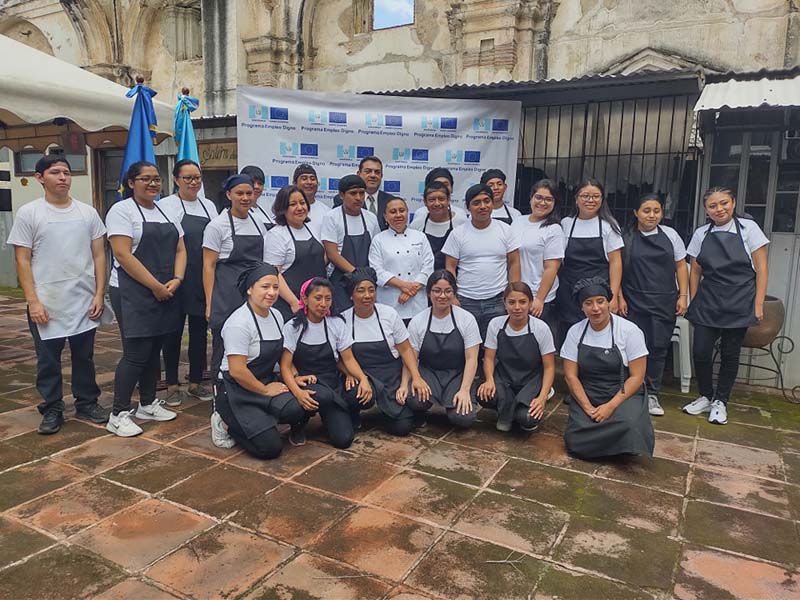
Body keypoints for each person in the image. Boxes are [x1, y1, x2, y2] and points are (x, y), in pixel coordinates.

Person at [7, 156, 109, 434]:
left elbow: (99, 255)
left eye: (66, 172)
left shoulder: (87, 213)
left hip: (83, 298)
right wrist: (33, 301)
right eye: (55, 172)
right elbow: (22, 259)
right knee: (48, 360)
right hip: (46, 301)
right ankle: (52, 407)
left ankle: (87, 402)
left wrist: (99, 293)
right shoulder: (29, 213)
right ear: (40, 178)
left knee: (84, 357)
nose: (63, 177)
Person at [106, 161, 186, 436]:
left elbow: (180, 248)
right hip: (132, 290)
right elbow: (122, 254)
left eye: (156, 179)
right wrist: (155, 286)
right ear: (131, 183)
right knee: (136, 353)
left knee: (155, 349)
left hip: (166, 288)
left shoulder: (167, 211)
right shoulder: (121, 211)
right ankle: (118, 413)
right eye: (145, 179)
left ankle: (148, 403)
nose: (153, 184)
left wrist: (177, 279)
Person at [682, 187, 769, 425]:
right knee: (700, 351)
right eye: (713, 206)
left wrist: (758, 303)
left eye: (724, 203)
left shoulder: (749, 229)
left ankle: (721, 401)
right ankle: (705, 395)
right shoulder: (701, 233)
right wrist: (693, 299)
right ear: (706, 210)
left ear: (733, 203)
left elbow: (762, 268)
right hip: (709, 299)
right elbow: (695, 269)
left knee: (730, 353)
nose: (719, 209)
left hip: (739, 299)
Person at [204, 174, 293, 384]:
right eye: (239, 193)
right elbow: (208, 266)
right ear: (229, 195)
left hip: (254, 291)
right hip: (226, 294)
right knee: (222, 348)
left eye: (249, 193)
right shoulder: (217, 226)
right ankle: (220, 394)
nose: (245, 198)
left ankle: (252, 388)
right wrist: (210, 302)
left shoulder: (258, 223)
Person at [212, 263, 307, 457]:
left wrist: (294, 375)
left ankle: (260, 419)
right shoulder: (238, 323)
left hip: (264, 380)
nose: (271, 292)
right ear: (249, 289)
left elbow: (280, 355)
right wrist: (265, 390)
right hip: (235, 389)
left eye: (275, 287)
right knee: (270, 448)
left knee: (298, 408)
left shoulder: (276, 315)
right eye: (265, 287)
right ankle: (224, 423)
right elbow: (237, 371)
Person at [561, 277, 654, 459]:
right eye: (588, 303)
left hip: (622, 392)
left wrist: (610, 407)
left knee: (629, 425)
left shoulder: (629, 331)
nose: (595, 308)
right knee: (575, 438)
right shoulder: (575, 332)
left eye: (600, 301)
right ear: (581, 307)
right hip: (589, 391)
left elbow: (637, 377)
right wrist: (588, 407)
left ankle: (616, 444)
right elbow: (570, 376)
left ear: (609, 302)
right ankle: (613, 445)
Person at [617, 193, 689, 417]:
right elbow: (617, 269)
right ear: (636, 213)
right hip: (633, 301)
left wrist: (683, 295)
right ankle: (629, 392)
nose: (652, 215)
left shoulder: (671, 235)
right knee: (631, 348)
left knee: (658, 349)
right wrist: (619, 296)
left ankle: (652, 394)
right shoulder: (626, 237)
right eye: (646, 211)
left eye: (656, 211)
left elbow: (681, 266)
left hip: (664, 301)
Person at [280, 278, 374, 448]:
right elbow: (285, 366)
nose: (323, 304)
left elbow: (348, 358)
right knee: (322, 396)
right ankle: (298, 424)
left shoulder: (336, 324)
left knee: (343, 439)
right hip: (306, 382)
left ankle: (339, 414)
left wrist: (363, 379)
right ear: (305, 299)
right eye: (318, 298)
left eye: (328, 298)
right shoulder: (293, 327)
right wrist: (298, 392)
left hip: (331, 381)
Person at [342, 269, 431, 436]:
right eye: (360, 291)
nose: (367, 295)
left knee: (402, 428)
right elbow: (341, 357)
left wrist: (416, 377)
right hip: (363, 374)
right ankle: (353, 413)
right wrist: (349, 373)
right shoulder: (343, 320)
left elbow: (406, 349)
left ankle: (390, 413)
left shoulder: (388, 314)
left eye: (371, 290)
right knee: (354, 394)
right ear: (351, 295)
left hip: (390, 375)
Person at [158, 159, 218, 405]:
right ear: (176, 180)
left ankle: (195, 381)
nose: (194, 182)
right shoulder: (165, 205)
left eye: (197, 178)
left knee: (199, 333)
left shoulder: (209, 206)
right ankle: (172, 384)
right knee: (172, 333)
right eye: (188, 178)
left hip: (200, 276)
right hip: (175, 276)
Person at [443, 183, 521, 340]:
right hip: (465, 300)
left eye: (487, 201)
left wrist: (513, 296)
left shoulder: (506, 230)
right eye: (476, 203)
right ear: (468, 207)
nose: (483, 206)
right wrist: (453, 297)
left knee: (495, 345)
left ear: (492, 203)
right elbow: (450, 267)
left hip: (498, 299)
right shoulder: (458, 233)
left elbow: (514, 263)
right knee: (466, 344)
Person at [477, 283, 556, 432]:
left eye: (523, 302)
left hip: (530, 380)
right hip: (505, 377)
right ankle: (506, 409)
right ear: (505, 303)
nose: (517, 307)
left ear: (530, 303)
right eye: (512, 302)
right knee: (483, 395)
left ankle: (518, 409)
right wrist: (489, 380)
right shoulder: (496, 324)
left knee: (527, 418)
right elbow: (488, 358)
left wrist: (542, 397)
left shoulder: (541, 328)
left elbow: (549, 367)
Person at [407, 270, 481, 428]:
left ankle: (454, 405)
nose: (442, 296)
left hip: (456, 374)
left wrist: (465, 390)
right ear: (428, 293)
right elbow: (411, 357)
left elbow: (471, 358)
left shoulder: (466, 319)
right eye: (437, 291)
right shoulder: (418, 321)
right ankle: (420, 413)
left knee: (463, 418)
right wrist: (415, 379)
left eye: (448, 291)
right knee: (415, 399)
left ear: (454, 293)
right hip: (428, 373)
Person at [556, 179, 624, 348]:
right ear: (576, 199)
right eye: (585, 196)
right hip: (569, 291)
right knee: (570, 339)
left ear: (602, 199)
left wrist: (614, 296)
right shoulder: (566, 223)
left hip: (598, 293)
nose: (590, 200)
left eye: (596, 196)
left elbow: (616, 263)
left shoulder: (609, 226)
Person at [510, 179, 565, 335]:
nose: (542, 203)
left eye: (548, 199)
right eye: (538, 197)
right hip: (517, 294)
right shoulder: (518, 222)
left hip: (538, 298)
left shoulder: (554, 229)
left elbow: (551, 268)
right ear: (531, 198)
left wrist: (540, 299)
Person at [265, 185, 327, 321]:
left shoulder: (313, 229)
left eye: (302, 203)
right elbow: (274, 273)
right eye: (293, 204)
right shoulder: (276, 235)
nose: (300, 208)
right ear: (282, 208)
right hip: (290, 306)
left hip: (317, 305)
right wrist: (295, 303)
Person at [368, 196, 435, 322]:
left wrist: (410, 290)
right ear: (385, 216)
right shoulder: (379, 239)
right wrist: (403, 286)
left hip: (417, 301)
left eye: (402, 210)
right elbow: (377, 271)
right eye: (393, 212)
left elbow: (428, 266)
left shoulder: (420, 237)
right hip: (391, 300)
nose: (398, 215)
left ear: (407, 213)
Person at [322, 174, 380, 311]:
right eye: (353, 193)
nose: (358, 197)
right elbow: (332, 254)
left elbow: (376, 249)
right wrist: (356, 274)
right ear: (342, 195)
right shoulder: (332, 217)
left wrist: (365, 278)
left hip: (366, 281)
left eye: (362, 193)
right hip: (341, 280)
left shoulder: (371, 218)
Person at [409, 181, 467, 270]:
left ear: (448, 200)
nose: (437, 203)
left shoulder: (461, 222)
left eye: (441, 199)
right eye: (431, 200)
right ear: (425, 202)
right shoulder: (417, 224)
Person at [333, 156, 392, 230]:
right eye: (368, 171)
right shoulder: (342, 199)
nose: (373, 175)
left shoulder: (391, 201)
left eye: (377, 172)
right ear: (358, 174)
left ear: (381, 176)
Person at [293, 163, 331, 237]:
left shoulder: (327, 212)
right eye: (304, 179)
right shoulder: (287, 210)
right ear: (295, 183)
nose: (309, 182)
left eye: (313, 179)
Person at [241, 165, 276, 231]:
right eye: (252, 182)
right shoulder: (239, 211)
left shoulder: (263, 210)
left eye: (260, 183)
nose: (256, 187)